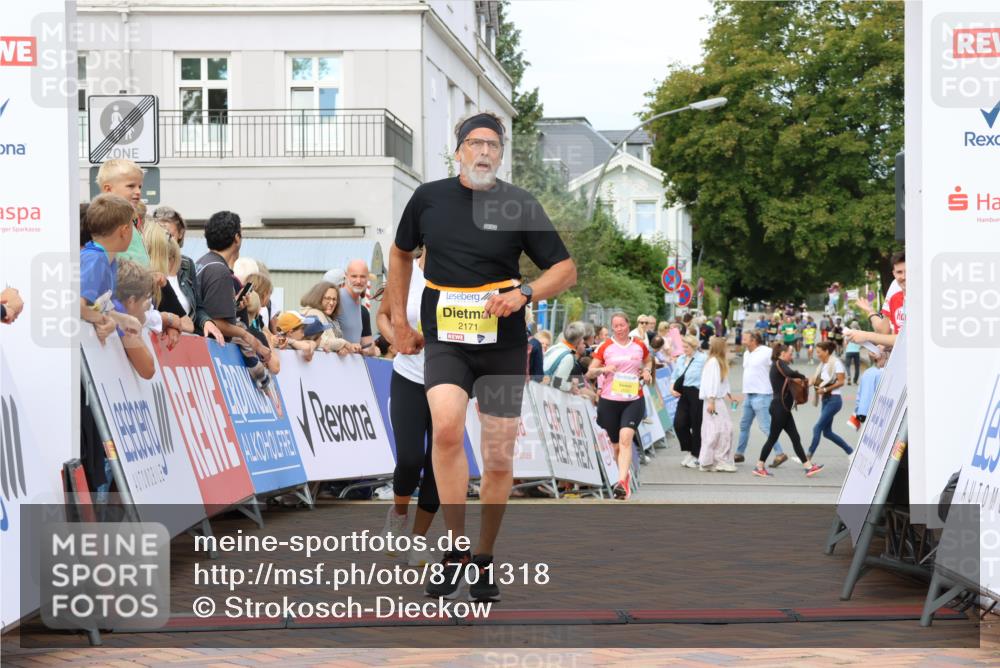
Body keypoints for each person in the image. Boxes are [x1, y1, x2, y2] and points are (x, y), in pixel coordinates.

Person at [387, 111, 576, 602]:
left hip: (502, 345)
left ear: (501, 154)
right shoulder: (428, 198)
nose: (486, 152)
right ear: (459, 151)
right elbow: (400, 253)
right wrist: (401, 322)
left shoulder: (519, 203)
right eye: (477, 143)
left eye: (494, 145)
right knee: (447, 427)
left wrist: (526, 293)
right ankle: (453, 548)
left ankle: (484, 557)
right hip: (447, 340)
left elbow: (565, 268)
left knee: (497, 458)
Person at [376, 246, 439, 566]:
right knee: (411, 458)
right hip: (409, 377)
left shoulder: (464, 277)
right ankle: (398, 513)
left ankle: (419, 540)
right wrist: (397, 338)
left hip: (448, 382)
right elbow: (383, 315)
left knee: (439, 467)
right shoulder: (407, 273)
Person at [195, 211, 274, 389]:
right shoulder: (219, 270)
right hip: (212, 358)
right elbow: (216, 322)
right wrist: (249, 338)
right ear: (237, 238)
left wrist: (234, 306)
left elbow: (207, 309)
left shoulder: (203, 262)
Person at [587, 313, 652, 498]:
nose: (619, 329)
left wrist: (647, 370)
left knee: (626, 439)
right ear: (612, 328)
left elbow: (648, 360)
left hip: (633, 399)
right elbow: (590, 372)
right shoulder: (605, 346)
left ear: (628, 325)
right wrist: (603, 369)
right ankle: (624, 474)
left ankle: (622, 482)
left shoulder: (639, 344)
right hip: (610, 401)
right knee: (616, 446)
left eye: (622, 325)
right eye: (616, 326)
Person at [79, 194, 143, 348]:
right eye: (133, 225)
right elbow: (75, 306)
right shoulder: (96, 259)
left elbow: (98, 307)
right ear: (125, 230)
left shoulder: (109, 261)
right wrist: (102, 320)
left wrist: (121, 320)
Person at [753, 344, 824, 478]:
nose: (791, 356)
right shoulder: (779, 363)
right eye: (789, 353)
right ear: (782, 353)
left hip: (783, 409)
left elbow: (790, 378)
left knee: (795, 437)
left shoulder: (778, 365)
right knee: (773, 438)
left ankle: (808, 467)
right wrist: (803, 376)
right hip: (779, 408)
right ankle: (759, 466)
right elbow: (791, 373)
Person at [735, 331, 786, 466]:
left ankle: (780, 453)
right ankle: (739, 454)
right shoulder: (746, 353)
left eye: (745, 338)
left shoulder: (766, 351)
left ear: (753, 340)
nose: (742, 340)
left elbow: (779, 364)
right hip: (749, 395)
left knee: (766, 427)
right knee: (744, 425)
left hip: (762, 395)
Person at [96, 159, 150, 267]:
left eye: (140, 186)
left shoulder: (128, 221)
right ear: (108, 189)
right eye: (131, 186)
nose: (138, 191)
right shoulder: (104, 222)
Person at [807, 341, 854, 459]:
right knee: (827, 432)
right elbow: (814, 379)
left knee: (817, 427)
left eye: (819, 352)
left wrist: (825, 389)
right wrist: (801, 385)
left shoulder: (836, 363)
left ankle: (807, 458)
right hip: (826, 400)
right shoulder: (822, 364)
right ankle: (851, 452)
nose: (817, 354)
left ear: (826, 351)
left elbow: (841, 381)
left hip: (834, 400)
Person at [699, 336, 737, 472]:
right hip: (714, 401)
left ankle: (711, 460)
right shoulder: (714, 362)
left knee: (718, 430)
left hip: (715, 400)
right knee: (721, 430)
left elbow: (722, 382)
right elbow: (712, 383)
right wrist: (712, 400)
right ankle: (718, 460)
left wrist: (729, 395)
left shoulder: (716, 362)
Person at [670, 335, 706, 468]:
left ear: (694, 347)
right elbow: (674, 376)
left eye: (687, 347)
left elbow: (710, 375)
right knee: (679, 423)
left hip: (697, 393)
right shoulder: (680, 359)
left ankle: (697, 454)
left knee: (697, 425)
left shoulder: (703, 359)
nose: (684, 349)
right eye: (683, 346)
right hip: (684, 393)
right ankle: (690, 450)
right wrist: (672, 388)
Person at [298, 281, 356, 355]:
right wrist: (344, 343)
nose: (331, 303)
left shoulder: (327, 316)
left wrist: (342, 348)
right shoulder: (314, 313)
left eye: (334, 299)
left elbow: (329, 343)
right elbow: (320, 341)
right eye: (327, 298)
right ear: (317, 298)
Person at [334, 259, 377, 356]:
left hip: (352, 366)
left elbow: (368, 345)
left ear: (367, 278)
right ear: (346, 276)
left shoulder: (361, 308)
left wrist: (371, 349)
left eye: (362, 277)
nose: (358, 281)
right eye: (354, 276)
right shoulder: (335, 299)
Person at [543, 321, 586, 392]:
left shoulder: (554, 348)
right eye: (582, 338)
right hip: (548, 394)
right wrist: (572, 385)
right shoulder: (568, 357)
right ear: (578, 341)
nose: (583, 340)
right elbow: (558, 384)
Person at [843, 321, 862, 385]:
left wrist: (846, 349)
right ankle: (855, 381)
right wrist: (858, 347)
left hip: (849, 351)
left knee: (847, 365)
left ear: (851, 326)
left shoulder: (848, 332)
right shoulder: (860, 333)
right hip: (856, 351)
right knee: (857, 366)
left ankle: (848, 376)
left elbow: (845, 342)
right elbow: (862, 343)